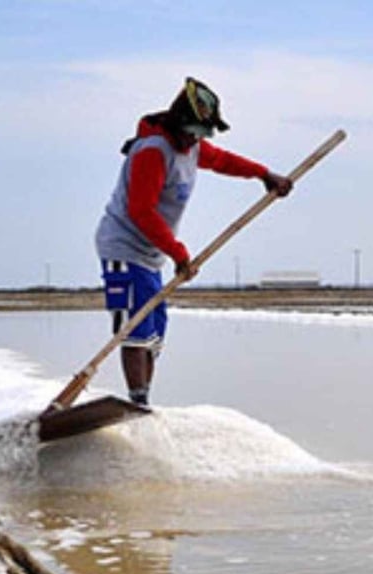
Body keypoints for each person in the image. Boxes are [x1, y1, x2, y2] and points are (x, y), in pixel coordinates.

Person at [94, 77, 293, 406]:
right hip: (124, 248)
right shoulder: (153, 151)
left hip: (152, 255)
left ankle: (143, 401)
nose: (195, 139)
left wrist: (263, 174)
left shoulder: (191, 147)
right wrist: (179, 253)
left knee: (155, 331)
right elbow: (141, 211)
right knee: (134, 328)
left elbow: (223, 161)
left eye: (201, 134)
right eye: (192, 132)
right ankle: (137, 401)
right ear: (178, 123)